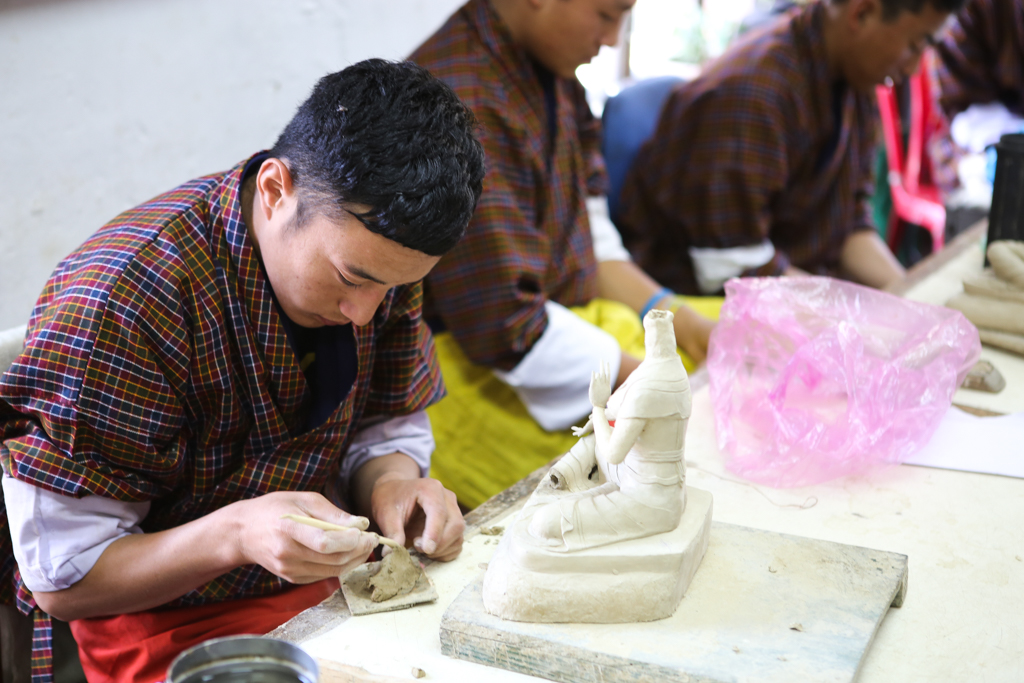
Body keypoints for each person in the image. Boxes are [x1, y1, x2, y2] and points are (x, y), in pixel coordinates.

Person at [0, 59, 484, 683]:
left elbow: (385, 422)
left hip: (323, 583)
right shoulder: (122, 301)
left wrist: (391, 485)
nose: (364, 314)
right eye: (352, 279)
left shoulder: (381, 259)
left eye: (394, 286)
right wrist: (235, 534)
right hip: (162, 621)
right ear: (278, 190)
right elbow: (65, 582)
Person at [409, 0, 720, 509]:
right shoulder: (457, 101)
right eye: (605, 14)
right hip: (479, 364)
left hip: (567, 322)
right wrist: (647, 377)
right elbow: (504, 323)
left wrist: (682, 323)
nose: (612, 39)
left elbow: (592, 239)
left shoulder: (553, 70)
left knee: (730, 341)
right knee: (648, 472)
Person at [617, 0, 963, 297]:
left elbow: (849, 226)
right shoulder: (753, 93)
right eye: (916, 44)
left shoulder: (854, 77)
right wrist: (852, 312)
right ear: (862, 13)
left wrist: (910, 296)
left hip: (788, 285)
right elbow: (732, 267)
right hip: (702, 305)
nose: (914, 67)